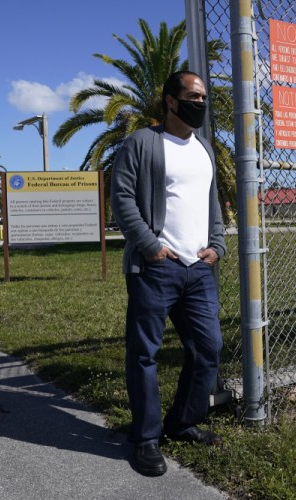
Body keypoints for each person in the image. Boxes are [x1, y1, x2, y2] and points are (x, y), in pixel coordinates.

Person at [110, 70, 226, 477]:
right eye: (193, 96)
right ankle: (145, 439)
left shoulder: (205, 149)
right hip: (156, 268)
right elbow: (121, 198)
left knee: (208, 349)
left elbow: (212, 202)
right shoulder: (143, 143)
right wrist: (150, 245)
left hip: (199, 270)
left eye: (204, 97)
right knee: (144, 353)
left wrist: (218, 244)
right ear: (171, 101)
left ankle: (182, 423)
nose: (201, 103)